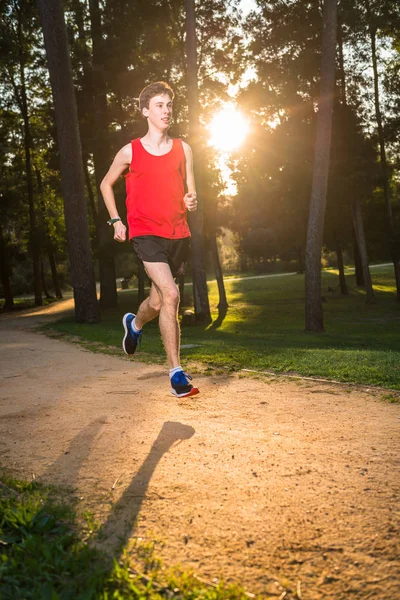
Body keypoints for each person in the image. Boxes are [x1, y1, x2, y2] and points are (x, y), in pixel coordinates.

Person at [100, 81, 199, 398]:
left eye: (169, 104)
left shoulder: (184, 149)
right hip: (145, 233)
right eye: (159, 105)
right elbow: (105, 184)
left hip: (178, 234)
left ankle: (135, 324)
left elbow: (190, 191)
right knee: (171, 295)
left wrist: (192, 199)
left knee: (158, 302)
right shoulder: (131, 151)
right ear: (145, 111)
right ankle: (176, 373)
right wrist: (116, 220)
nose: (166, 110)